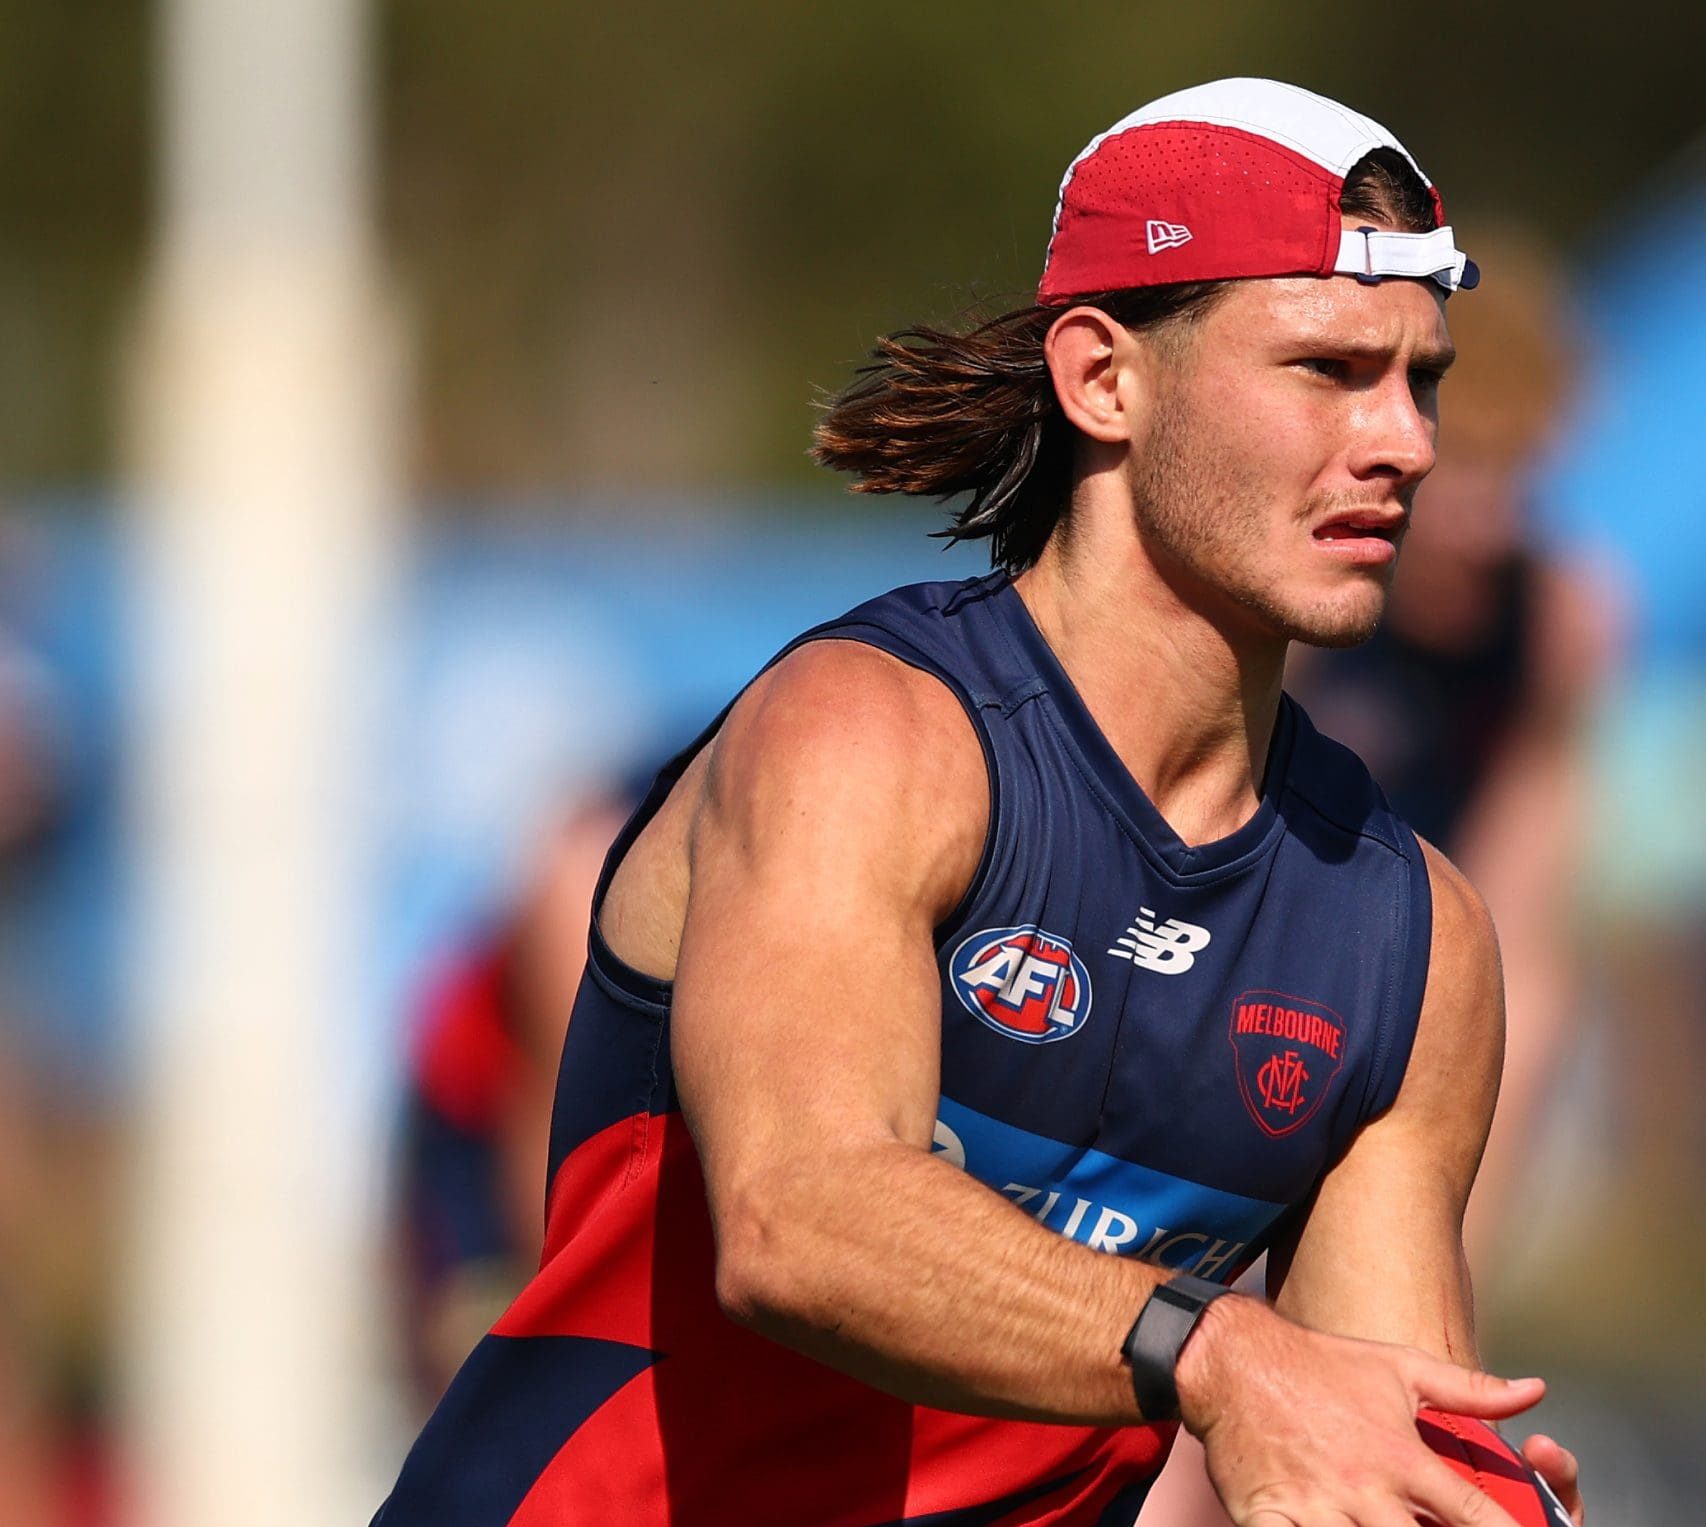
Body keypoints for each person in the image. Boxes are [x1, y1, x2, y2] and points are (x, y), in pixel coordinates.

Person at [373, 79, 1584, 1526]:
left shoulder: (1411, 940)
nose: (1404, 444)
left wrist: (1469, 1494)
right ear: (1102, 380)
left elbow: (1369, 1437)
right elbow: (799, 1224)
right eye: (1327, 372)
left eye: (1420, 378)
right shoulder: (870, 732)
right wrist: (1215, 1353)